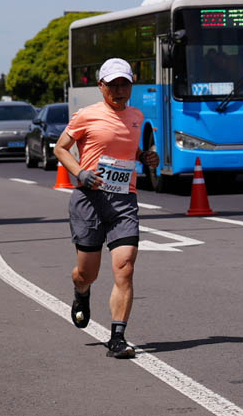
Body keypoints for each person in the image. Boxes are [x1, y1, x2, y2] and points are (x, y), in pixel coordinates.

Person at [53, 58, 159, 359]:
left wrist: (144, 157)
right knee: (88, 273)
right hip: (90, 200)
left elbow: (126, 149)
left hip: (124, 200)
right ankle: (81, 292)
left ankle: (117, 337)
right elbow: (60, 148)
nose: (119, 90)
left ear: (132, 84)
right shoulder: (86, 116)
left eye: (124, 84)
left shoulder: (137, 116)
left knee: (125, 268)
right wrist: (80, 173)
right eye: (112, 85)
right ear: (101, 87)